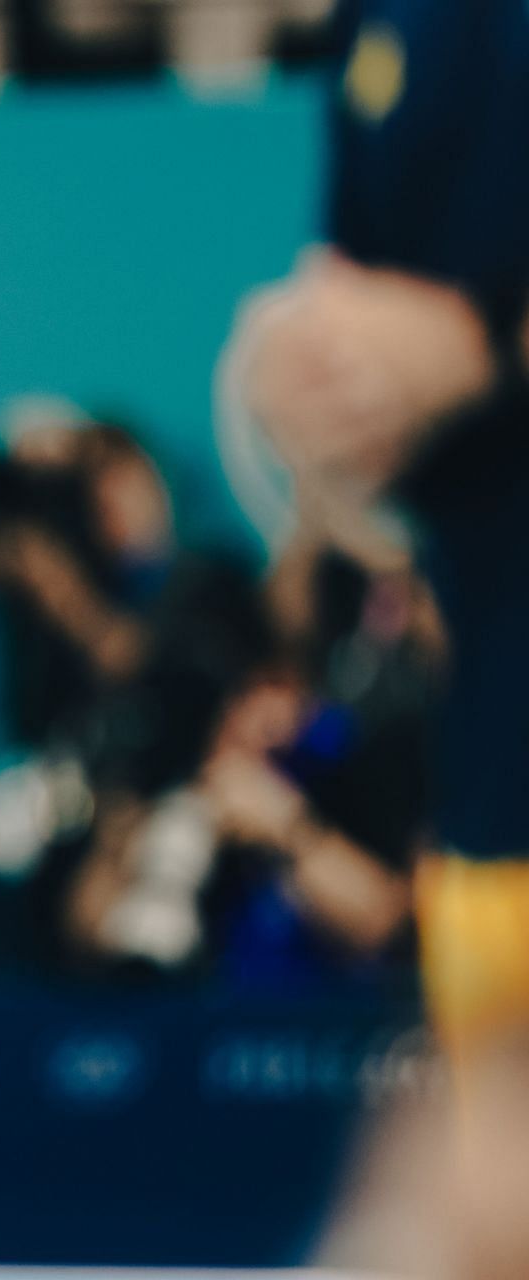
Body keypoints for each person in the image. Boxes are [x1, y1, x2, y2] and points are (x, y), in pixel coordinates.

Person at [224, 0, 529, 1118]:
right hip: (492, 814)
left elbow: (456, 341)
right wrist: (311, 380)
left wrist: (484, 343)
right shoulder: (390, 28)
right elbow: (358, 305)